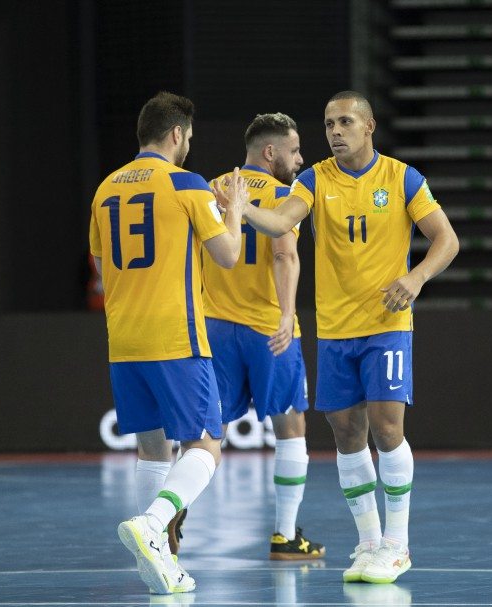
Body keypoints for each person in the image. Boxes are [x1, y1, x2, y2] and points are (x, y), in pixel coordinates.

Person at [214, 91, 459, 584]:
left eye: (345, 121)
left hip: (386, 325)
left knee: (388, 430)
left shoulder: (401, 177)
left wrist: (414, 280)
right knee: (347, 437)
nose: (334, 131)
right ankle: (368, 542)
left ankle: (398, 544)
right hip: (335, 330)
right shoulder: (312, 179)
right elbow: (282, 222)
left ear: (369, 126)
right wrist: (241, 209)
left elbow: (447, 240)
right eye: (328, 123)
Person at [89, 91, 249, 595]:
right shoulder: (187, 183)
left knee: (152, 451)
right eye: (189, 138)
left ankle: (159, 565)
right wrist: (236, 210)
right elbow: (227, 255)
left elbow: (100, 264)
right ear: (177, 133)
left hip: (124, 339)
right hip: (176, 334)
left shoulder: (104, 189)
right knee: (207, 442)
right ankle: (155, 526)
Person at [200, 112, 324, 560]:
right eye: (293, 150)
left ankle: (172, 525)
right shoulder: (282, 194)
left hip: (214, 327)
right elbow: (285, 255)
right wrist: (288, 316)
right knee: (290, 426)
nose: (300, 159)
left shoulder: (212, 188)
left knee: (206, 432)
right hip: (269, 329)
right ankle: (285, 535)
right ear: (270, 153)